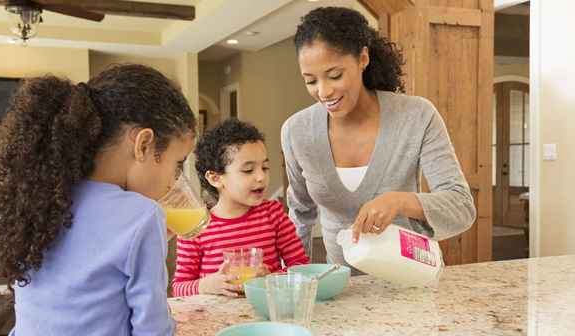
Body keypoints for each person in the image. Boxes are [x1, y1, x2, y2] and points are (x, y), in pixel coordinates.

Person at [0, 64, 197, 336]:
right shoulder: (142, 217)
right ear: (143, 144)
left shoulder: (43, 197)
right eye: (177, 163)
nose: (173, 181)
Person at [282, 7, 476, 265]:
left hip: (411, 280)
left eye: (334, 75)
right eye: (310, 80)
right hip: (341, 289)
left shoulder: (417, 116)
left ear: (363, 58)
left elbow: (461, 207)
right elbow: (300, 214)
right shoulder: (296, 131)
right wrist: (298, 280)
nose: (323, 91)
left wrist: (399, 201)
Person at [173, 119, 309, 297]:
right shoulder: (195, 227)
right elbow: (179, 288)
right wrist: (206, 285)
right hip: (218, 320)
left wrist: (271, 279)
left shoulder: (273, 214)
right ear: (215, 178)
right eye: (248, 170)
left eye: (265, 167)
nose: (261, 177)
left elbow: (302, 267)